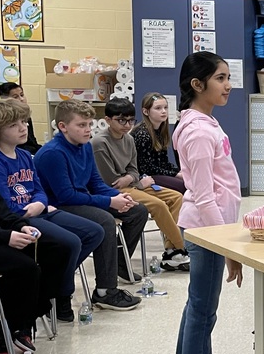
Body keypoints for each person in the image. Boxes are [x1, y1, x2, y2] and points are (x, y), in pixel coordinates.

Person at [0, 99, 104, 322]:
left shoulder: (24, 155)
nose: (24, 127)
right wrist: (35, 207)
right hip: (17, 218)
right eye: (14, 125)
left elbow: (39, 190)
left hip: (36, 210)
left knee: (94, 231)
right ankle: (60, 294)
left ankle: (50, 283)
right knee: (69, 243)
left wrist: (39, 204)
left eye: (24, 122)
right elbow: (2, 206)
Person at [170, 52, 246, 354]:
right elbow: (203, 195)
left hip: (206, 228)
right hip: (206, 231)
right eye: (219, 78)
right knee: (202, 312)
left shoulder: (204, 124)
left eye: (228, 76)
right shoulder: (199, 131)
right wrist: (227, 244)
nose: (228, 85)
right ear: (197, 85)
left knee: (196, 308)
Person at [34, 100, 144, 311]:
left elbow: (95, 183)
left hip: (79, 199)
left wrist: (118, 197)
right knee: (104, 221)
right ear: (63, 126)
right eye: (81, 125)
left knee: (137, 210)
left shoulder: (85, 146)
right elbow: (66, 196)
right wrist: (110, 202)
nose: (87, 130)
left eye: (89, 124)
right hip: (57, 207)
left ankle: (119, 264)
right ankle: (105, 290)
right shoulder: (53, 153)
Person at [0, 167, 76, 354]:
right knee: (25, 267)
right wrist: (4, 236)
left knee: (58, 249)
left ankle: (24, 320)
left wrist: (19, 225)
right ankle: (4, 331)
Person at [92, 97, 189, 272]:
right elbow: (112, 180)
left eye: (130, 120)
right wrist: (131, 178)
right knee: (158, 204)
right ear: (107, 120)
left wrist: (130, 177)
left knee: (176, 197)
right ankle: (182, 247)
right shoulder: (100, 143)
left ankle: (171, 250)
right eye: (121, 120)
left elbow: (134, 170)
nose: (127, 124)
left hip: (134, 184)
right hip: (117, 190)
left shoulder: (128, 139)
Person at [131, 92, 184, 193]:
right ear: (146, 112)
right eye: (158, 108)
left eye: (165, 107)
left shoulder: (160, 131)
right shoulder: (143, 134)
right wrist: (175, 175)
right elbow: (147, 168)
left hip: (155, 173)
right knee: (182, 186)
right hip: (144, 176)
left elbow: (163, 162)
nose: (164, 111)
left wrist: (178, 171)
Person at [0, 82, 41, 155]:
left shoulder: (26, 116)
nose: (21, 99)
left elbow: (32, 142)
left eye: (22, 95)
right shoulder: (4, 119)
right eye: (15, 97)